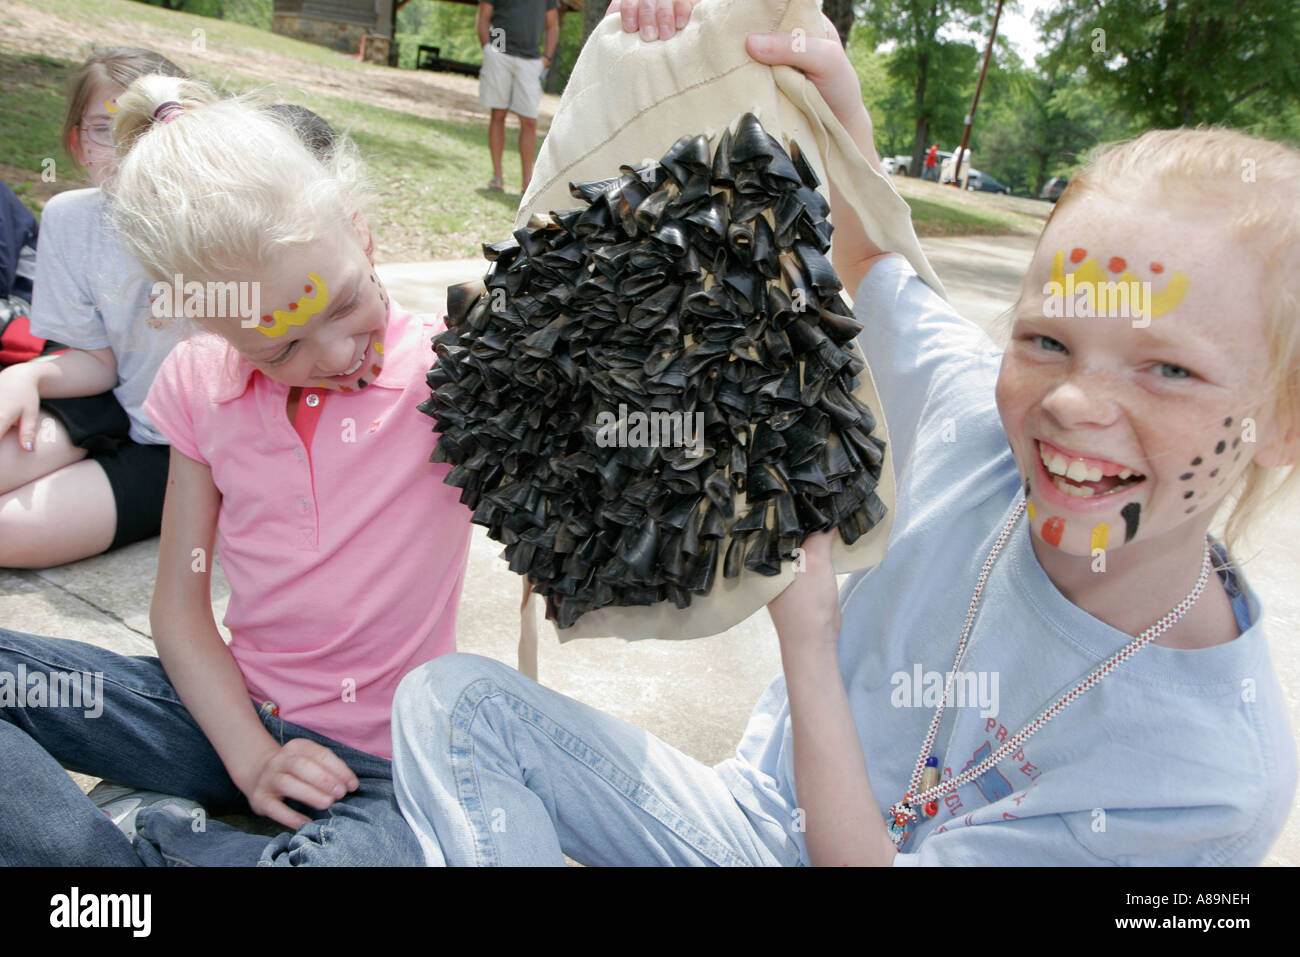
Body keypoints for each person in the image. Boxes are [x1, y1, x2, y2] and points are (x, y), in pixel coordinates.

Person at [388, 6, 1298, 865]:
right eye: (1047, 342)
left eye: (1167, 370)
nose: (1073, 403)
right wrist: (804, 68)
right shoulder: (973, 426)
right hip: (747, 825)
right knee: (456, 706)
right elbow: (872, 260)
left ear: (1282, 421)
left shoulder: (1207, 777)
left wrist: (811, 649)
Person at [0, 74, 473, 866]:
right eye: (278, 348)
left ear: (360, 231)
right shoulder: (199, 384)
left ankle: (128, 855)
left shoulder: (453, 371)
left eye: (343, 302)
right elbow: (182, 607)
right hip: (220, 719)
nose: (331, 354)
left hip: (381, 772)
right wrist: (251, 757)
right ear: (203, 319)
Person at [0, 48, 186, 568]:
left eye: (144, 126)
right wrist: (28, 379)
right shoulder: (68, 218)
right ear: (78, 143)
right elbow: (96, 359)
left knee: (9, 531)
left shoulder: (223, 224)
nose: (127, 147)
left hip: (183, 449)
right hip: (110, 403)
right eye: (105, 128)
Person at [477, 0, 559, 193]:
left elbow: (553, 25)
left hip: (531, 59)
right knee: (498, 114)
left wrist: (546, 58)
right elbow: (483, 17)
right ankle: (497, 176)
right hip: (499, 49)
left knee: (529, 121)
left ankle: (527, 183)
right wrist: (489, 49)